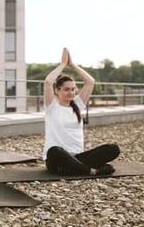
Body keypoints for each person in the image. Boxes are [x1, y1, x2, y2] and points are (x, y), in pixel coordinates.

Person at [43, 47, 120, 176]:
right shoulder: (52, 106)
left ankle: (73, 169)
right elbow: (48, 82)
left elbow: (90, 82)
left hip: (78, 157)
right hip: (57, 159)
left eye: (73, 89)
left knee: (114, 148)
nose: (71, 92)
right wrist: (63, 64)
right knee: (54, 150)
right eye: (66, 89)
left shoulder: (78, 105)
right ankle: (91, 171)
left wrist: (72, 65)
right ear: (57, 90)